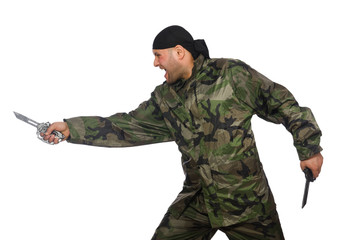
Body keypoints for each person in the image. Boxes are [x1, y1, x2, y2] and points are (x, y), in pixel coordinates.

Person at [43, 25, 323, 240]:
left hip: (248, 203)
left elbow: (282, 103)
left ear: (179, 52)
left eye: (158, 56)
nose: (155, 64)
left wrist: (309, 149)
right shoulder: (165, 99)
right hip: (198, 201)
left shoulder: (231, 74)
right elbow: (126, 126)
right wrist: (71, 129)